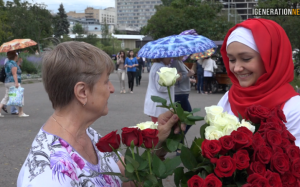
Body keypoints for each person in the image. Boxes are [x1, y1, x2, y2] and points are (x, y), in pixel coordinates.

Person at [17, 41, 185, 187]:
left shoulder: (87, 134)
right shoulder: (48, 174)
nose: (112, 89)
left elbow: (132, 180)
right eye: (106, 81)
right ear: (82, 91)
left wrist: (160, 143)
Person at [217, 18, 300, 146]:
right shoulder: (229, 98)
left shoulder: (294, 109)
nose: (237, 68)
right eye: (232, 60)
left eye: (246, 59)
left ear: (270, 58)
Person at [144, 58, 174, 123]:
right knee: (161, 129)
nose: (171, 58)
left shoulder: (157, 66)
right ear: (162, 57)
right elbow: (161, 87)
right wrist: (174, 79)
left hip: (157, 106)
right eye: (168, 56)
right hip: (159, 107)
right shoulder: (160, 68)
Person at [0, 51, 28, 117]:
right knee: (20, 96)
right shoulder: (13, 63)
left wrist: (18, 63)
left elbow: (12, 70)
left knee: (6, 97)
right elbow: (14, 73)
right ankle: (21, 112)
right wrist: (16, 83)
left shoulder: (7, 63)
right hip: (13, 82)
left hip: (7, 82)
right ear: (15, 56)